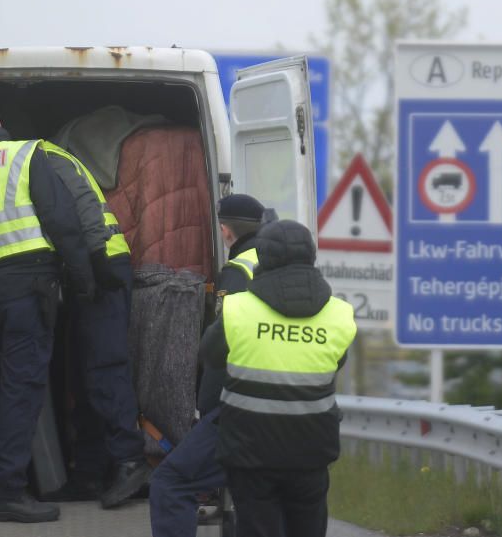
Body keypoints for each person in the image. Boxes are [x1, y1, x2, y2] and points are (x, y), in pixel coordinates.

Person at [0, 100, 97, 524]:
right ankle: (7, 492)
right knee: (22, 390)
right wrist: (83, 279)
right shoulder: (26, 154)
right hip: (29, 290)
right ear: (0, 125)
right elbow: (62, 221)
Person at [199, 219, 357, 537]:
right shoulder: (339, 314)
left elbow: (211, 355)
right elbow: (335, 363)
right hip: (310, 452)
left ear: (263, 257)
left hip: (249, 452)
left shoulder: (238, 309)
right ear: (311, 257)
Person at [38, 141, 151, 508]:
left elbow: (85, 206)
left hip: (101, 264)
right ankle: (89, 471)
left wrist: (96, 263)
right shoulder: (43, 158)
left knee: (104, 365)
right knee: (85, 373)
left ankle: (129, 460)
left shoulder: (45, 158)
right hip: (85, 267)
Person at [147, 193, 266, 537]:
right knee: (251, 492)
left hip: (238, 410)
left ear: (226, 231)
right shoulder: (276, 263)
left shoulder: (238, 271)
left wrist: (205, 408)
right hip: (294, 419)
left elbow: (221, 348)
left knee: (170, 481)